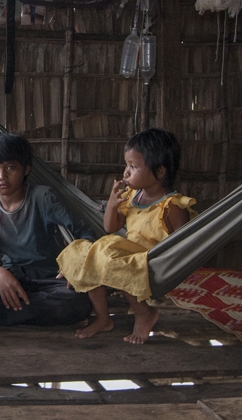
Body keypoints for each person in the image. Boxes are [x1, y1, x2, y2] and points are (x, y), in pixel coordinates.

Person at [58, 128, 196, 344]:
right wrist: (113, 203)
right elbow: (110, 227)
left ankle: (144, 312)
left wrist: (168, 268)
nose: (126, 172)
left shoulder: (172, 206)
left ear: (159, 172)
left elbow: (183, 246)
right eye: (127, 165)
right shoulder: (132, 196)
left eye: (133, 166)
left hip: (151, 264)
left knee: (107, 252)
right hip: (123, 256)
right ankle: (104, 318)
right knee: (82, 250)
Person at [0, 133, 95, 326]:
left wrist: (74, 265)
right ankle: (29, 313)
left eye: (10, 167)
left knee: (77, 301)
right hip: (10, 277)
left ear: (26, 169)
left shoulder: (44, 197)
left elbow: (85, 233)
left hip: (49, 279)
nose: (1, 176)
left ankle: (0, 315)